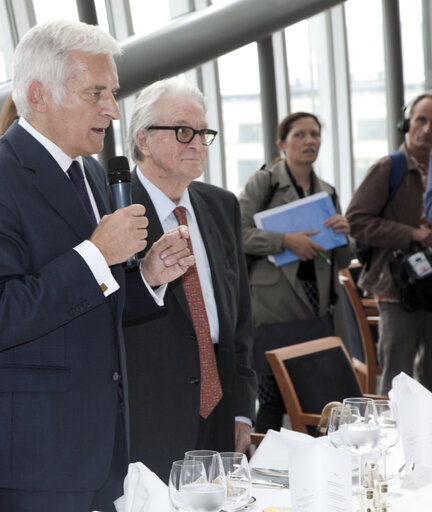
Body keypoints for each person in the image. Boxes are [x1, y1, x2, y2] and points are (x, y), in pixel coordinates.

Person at [0, 19, 195, 512]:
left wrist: (146, 276)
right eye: (96, 93)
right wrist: (98, 254)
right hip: (32, 456)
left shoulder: (92, 174)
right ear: (38, 94)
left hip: (98, 447)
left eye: (113, 93)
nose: (113, 111)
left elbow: (92, 306)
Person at [122, 79, 256, 482]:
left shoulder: (220, 204)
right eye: (183, 131)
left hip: (221, 400)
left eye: (203, 133)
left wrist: (242, 407)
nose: (197, 143)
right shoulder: (114, 209)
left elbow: (241, 314)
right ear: (143, 140)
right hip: (148, 413)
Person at [238, 112, 352, 432]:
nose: (309, 141)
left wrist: (345, 233)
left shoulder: (326, 191)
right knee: (271, 400)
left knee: (322, 402)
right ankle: (259, 469)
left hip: (318, 312)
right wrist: (285, 241)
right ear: (282, 144)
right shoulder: (264, 183)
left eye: (315, 134)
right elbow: (237, 234)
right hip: (274, 311)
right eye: (300, 135)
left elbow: (340, 259)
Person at [347, 93, 432, 395]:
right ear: (406, 123)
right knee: (398, 381)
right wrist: (410, 233)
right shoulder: (390, 167)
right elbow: (355, 221)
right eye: (421, 120)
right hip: (399, 289)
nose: (426, 129)